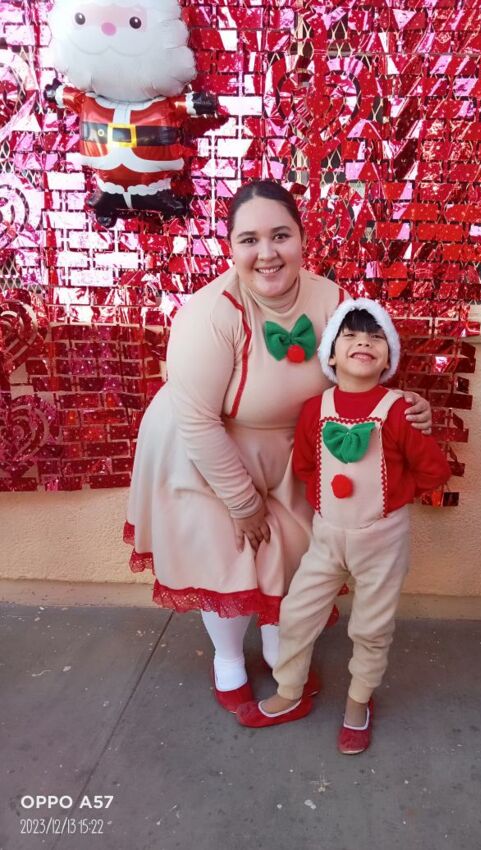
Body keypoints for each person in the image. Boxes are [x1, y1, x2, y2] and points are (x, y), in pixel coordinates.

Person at [124, 181, 433, 713]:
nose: (266, 253)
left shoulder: (333, 300)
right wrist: (242, 502)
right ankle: (227, 659)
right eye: (249, 240)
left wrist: (404, 403)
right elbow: (197, 420)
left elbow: (358, 372)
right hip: (203, 447)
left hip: (292, 448)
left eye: (280, 235)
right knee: (225, 555)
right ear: (231, 247)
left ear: (302, 238)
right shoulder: (208, 313)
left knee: (289, 552)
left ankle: (278, 647)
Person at [236, 299, 451, 754]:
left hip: (383, 540)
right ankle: (290, 691)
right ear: (331, 355)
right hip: (328, 536)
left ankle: (358, 701)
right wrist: (327, 506)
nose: (362, 343)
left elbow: (434, 471)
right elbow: (305, 465)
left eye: (375, 337)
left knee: (372, 627)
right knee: (296, 612)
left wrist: (391, 498)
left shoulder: (398, 410)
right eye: (349, 336)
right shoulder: (315, 409)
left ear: (388, 357)